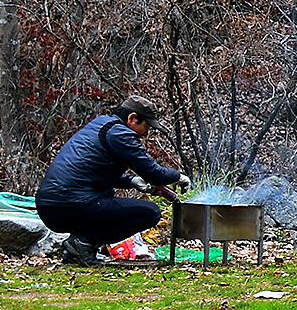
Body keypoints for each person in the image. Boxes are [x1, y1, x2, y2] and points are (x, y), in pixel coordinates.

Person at [36, 95, 190, 267]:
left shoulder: (101, 125)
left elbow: (91, 172)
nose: (146, 134)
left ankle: (77, 250)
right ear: (132, 118)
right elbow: (154, 173)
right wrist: (178, 177)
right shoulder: (121, 134)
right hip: (71, 205)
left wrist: (131, 181)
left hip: (50, 207)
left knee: (106, 196)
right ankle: (83, 244)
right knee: (150, 212)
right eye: (145, 127)